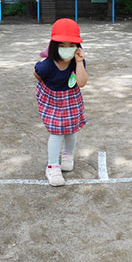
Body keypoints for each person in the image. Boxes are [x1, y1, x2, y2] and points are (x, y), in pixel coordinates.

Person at [34, 18, 87, 186]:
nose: (66, 50)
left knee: (71, 130)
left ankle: (67, 155)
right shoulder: (47, 65)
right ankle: (52, 166)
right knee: (56, 132)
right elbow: (37, 74)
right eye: (61, 46)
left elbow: (81, 82)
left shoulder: (77, 62)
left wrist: (79, 62)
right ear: (53, 46)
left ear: (77, 47)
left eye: (71, 45)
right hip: (52, 99)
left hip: (71, 98)